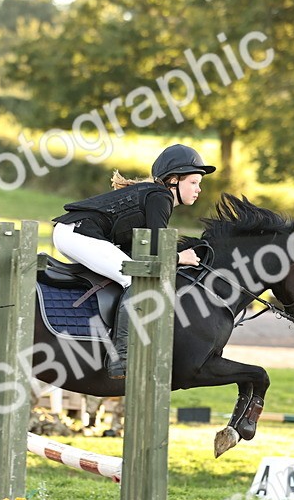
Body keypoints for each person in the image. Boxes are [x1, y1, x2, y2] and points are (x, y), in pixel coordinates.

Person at [52, 143, 213, 379]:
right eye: (194, 182)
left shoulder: (154, 194)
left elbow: (141, 249)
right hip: (77, 234)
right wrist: (181, 257)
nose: (199, 189)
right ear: (174, 180)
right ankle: (121, 359)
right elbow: (158, 248)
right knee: (136, 278)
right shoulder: (160, 197)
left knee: (132, 272)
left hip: (72, 232)